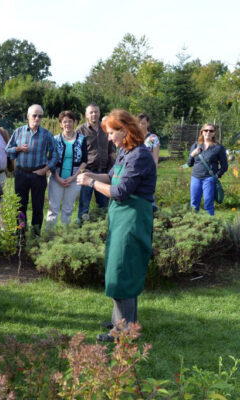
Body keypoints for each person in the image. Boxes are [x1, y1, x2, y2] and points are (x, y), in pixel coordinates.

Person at [77, 109, 156, 342]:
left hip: (132, 218)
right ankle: (120, 321)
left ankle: (123, 330)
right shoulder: (124, 153)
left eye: (112, 133)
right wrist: (92, 174)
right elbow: (111, 178)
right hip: (121, 218)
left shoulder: (140, 155)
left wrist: (90, 182)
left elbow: (120, 192)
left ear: (125, 131)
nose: (109, 138)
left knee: (124, 269)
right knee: (117, 267)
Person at [6, 104, 57, 234]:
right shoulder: (19, 132)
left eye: (40, 116)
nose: (37, 118)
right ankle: (20, 234)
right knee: (20, 206)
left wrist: (45, 169)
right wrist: (18, 149)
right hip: (21, 174)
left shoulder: (47, 134)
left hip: (38, 175)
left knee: (38, 207)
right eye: (34, 115)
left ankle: (35, 234)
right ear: (28, 116)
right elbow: (7, 149)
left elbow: (55, 156)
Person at [76, 103, 116, 222]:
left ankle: (101, 228)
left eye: (96, 112)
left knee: (103, 204)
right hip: (87, 171)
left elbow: (111, 149)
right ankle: (81, 228)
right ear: (86, 115)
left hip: (103, 172)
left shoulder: (106, 128)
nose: (94, 114)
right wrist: (80, 170)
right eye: (91, 112)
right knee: (84, 204)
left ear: (99, 113)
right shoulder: (81, 130)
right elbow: (77, 152)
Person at [47, 111, 87, 226]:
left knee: (68, 210)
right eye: (64, 121)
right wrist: (58, 178)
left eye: (70, 121)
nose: (67, 124)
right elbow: (51, 161)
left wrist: (74, 177)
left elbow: (84, 161)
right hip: (56, 178)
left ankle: (65, 237)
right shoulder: (55, 139)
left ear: (74, 123)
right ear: (60, 124)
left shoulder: (82, 139)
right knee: (53, 209)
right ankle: (49, 237)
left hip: (74, 180)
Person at [187, 123, 228, 216]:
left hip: (209, 179)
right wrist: (192, 155)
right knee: (193, 204)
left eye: (211, 131)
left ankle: (209, 226)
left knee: (208, 204)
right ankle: (193, 225)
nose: (208, 132)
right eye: (206, 130)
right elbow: (189, 163)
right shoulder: (195, 146)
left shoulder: (218, 148)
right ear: (202, 132)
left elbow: (224, 166)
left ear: (214, 133)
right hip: (196, 177)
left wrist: (216, 176)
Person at [138, 113, 160, 212]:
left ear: (148, 124)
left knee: (149, 194)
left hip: (148, 171)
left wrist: (153, 173)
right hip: (135, 171)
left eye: (143, 123)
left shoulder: (153, 138)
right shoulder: (133, 137)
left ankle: (151, 212)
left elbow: (155, 159)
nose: (141, 125)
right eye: (138, 123)